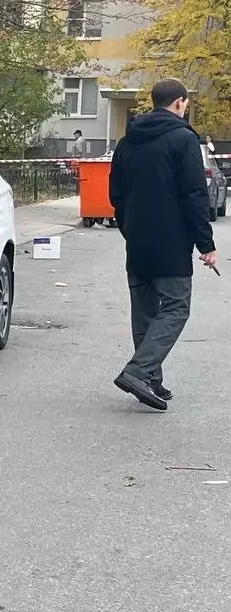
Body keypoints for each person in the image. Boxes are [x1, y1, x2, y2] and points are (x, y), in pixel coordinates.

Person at [108, 77, 217, 411]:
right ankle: (140, 371)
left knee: (144, 312)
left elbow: (117, 195)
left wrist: (130, 228)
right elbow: (194, 195)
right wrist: (206, 244)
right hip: (171, 242)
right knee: (175, 308)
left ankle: (150, 379)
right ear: (180, 103)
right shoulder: (182, 140)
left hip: (137, 240)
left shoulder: (127, 142)